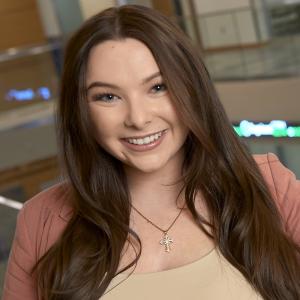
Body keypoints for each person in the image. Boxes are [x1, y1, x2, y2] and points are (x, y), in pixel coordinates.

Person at [2, 5, 300, 300]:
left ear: (192, 89)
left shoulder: (270, 185)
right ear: (81, 110)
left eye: (158, 87)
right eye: (108, 96)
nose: (138, 118)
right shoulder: (40, 220)